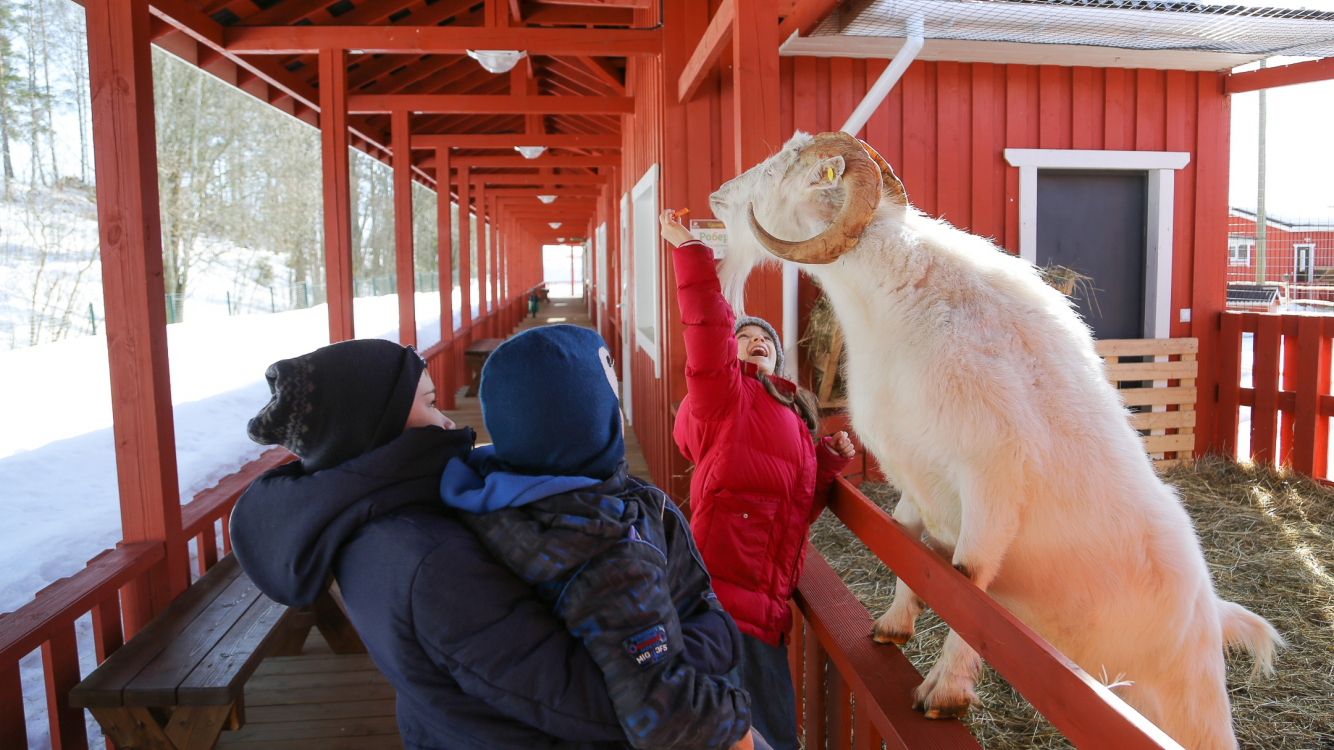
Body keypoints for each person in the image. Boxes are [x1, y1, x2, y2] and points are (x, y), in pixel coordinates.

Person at [230, 338, 637, 750]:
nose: (448, 423)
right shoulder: (426, 558)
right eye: (430, 404)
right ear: (374, 424)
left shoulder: (362, 518)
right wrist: (691, 632)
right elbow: (604, 708)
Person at [437, 324, 756, 750]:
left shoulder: (498, 497)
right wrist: (738, 725)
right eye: (612, 404)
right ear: (592, 425)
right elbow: (666, 713)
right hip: (699, 680)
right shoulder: (609, 555)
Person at [659, 210, 856, 750]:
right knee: (750, 734)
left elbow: (793, 508)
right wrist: (692, 254)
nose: (754, 340)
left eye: (763, 337)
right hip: (723, 600)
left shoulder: (791, 413)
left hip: (767, 609)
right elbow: (705, 329)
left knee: (762, 732)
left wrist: (827, 464)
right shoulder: (725, 395)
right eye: (743, 336)